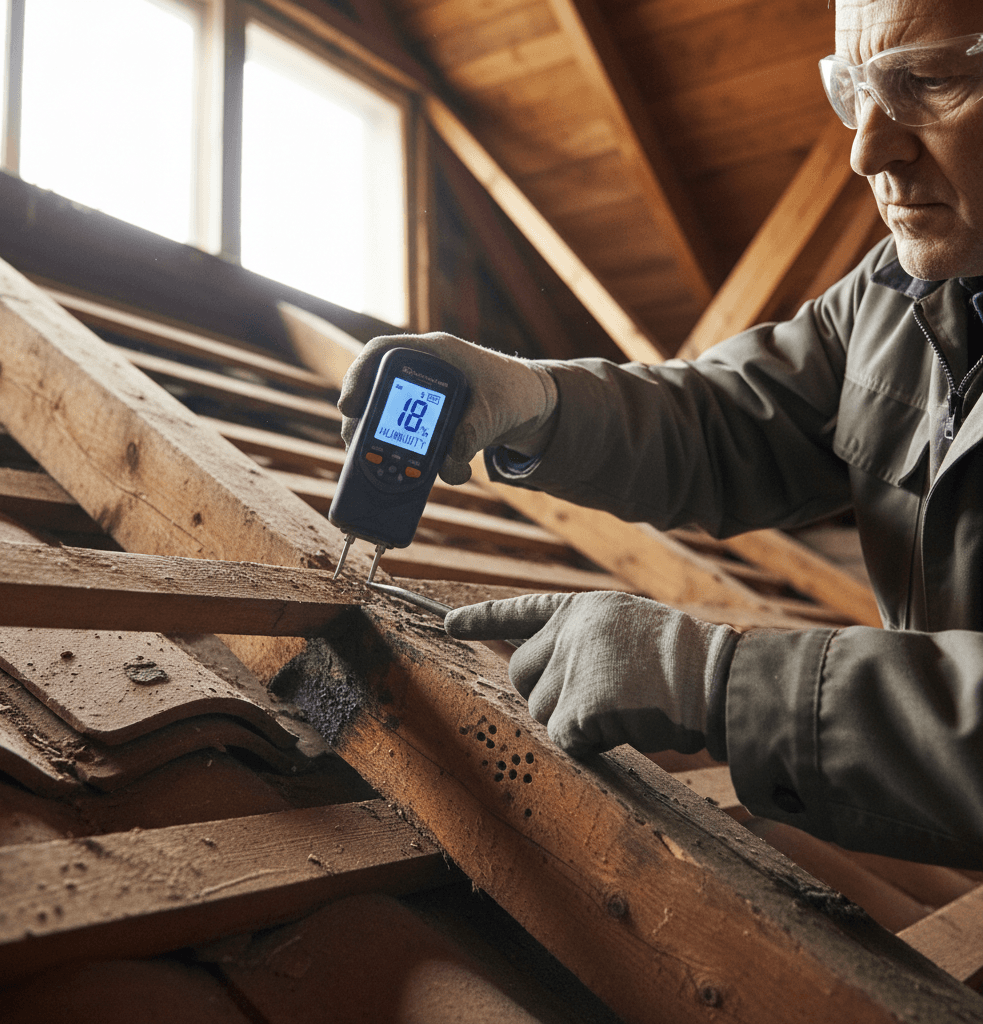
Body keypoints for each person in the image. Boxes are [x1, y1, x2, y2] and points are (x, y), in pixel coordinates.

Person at [338, 0, 983, 868]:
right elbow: (728, 419)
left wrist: (721, 683)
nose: (867, 149)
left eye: (931, 80)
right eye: (855, 89)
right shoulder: (898, 295)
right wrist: (535, 399)